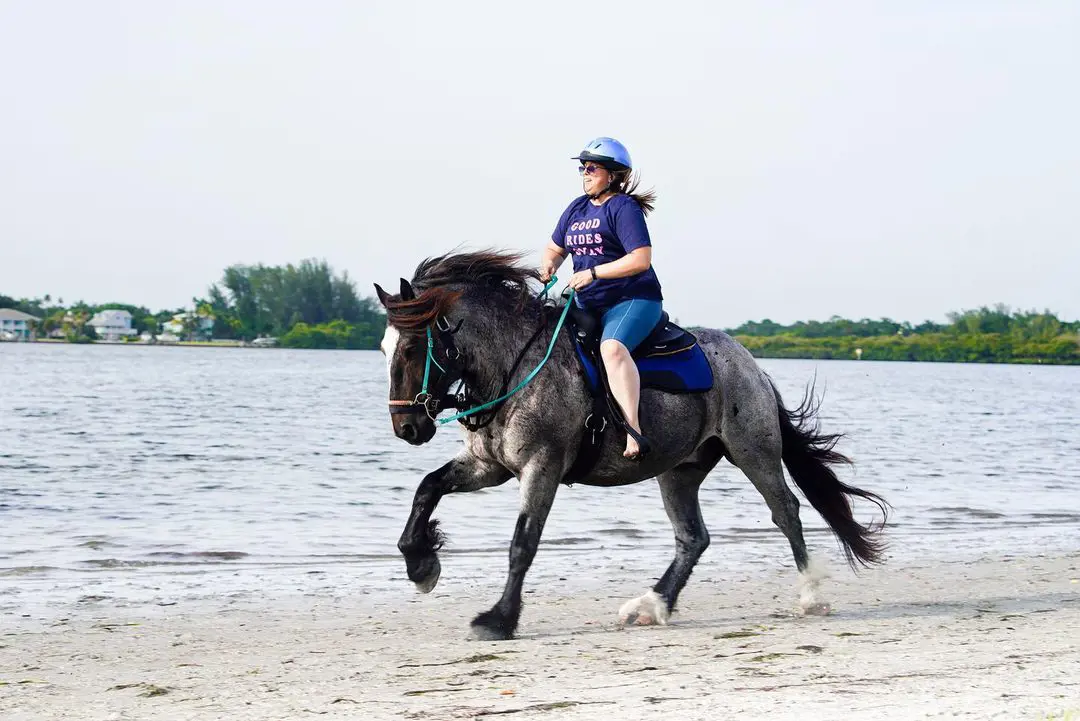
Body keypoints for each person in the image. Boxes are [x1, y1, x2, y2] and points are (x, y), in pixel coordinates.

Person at [539, 137, 663, 460]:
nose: (585, 173)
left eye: (591, 167)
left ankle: (633, 431)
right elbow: (555, 248)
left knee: (612, 349)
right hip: (587, 305)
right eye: (582, 168)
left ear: (612, 174)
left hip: (633, 300)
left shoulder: (623, 208)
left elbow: (641, 259)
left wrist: (594, 274)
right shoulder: (576, 209)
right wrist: (549, 264)